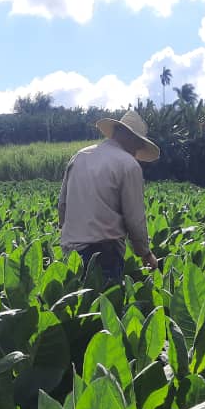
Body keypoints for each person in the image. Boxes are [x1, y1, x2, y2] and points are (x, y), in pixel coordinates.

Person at [58, 110, 160, 283]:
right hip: (105, 253)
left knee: (79, 308)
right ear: (131, 138)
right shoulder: (128, 165)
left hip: (71, 251)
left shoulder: (80, 156)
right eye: (138, 144)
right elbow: (134, 218)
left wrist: (71, 234)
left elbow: (63, 205)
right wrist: (145, 253)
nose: (137, 151)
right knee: (103, 307)